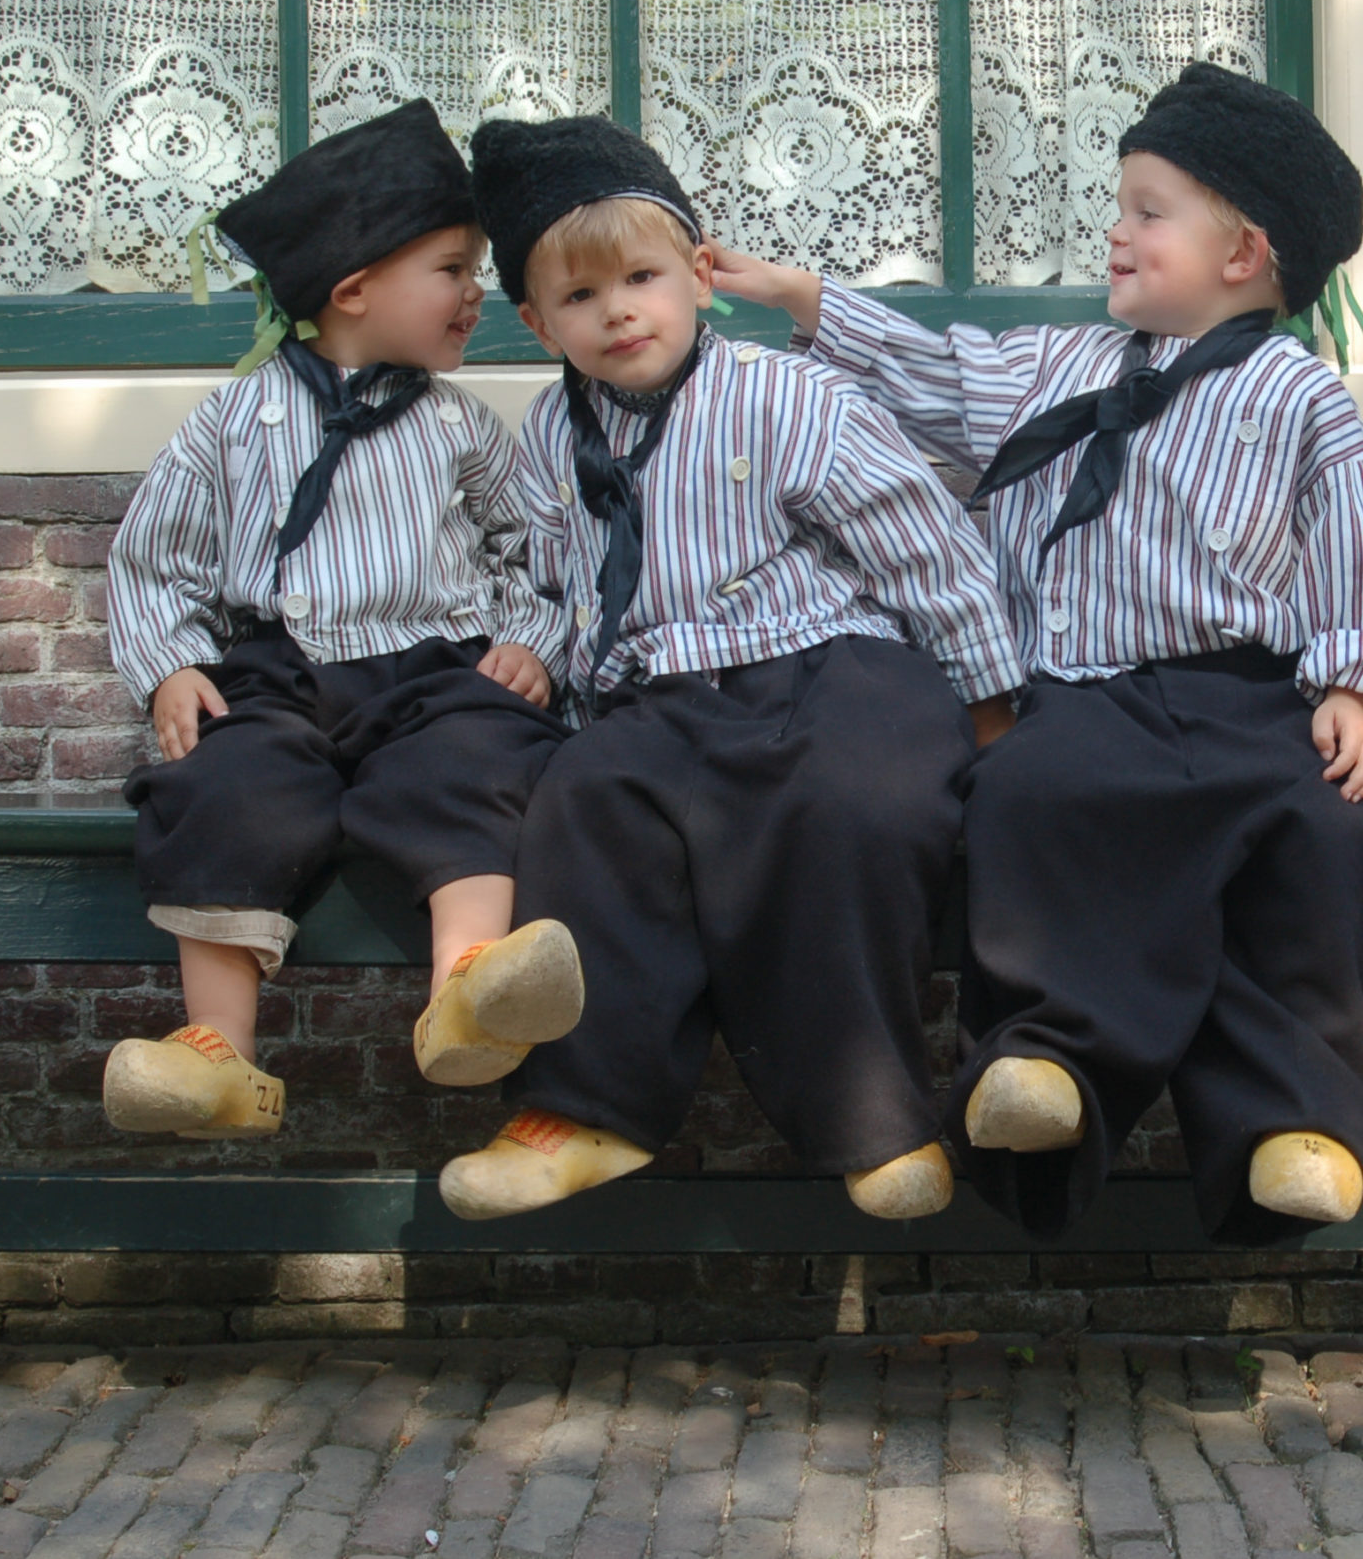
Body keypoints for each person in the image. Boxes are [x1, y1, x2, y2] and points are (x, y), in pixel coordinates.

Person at [713, 64, 1363, 1246]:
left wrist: (1352, 685)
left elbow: (1347, 540)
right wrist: (804, 297)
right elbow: (937, 376)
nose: (1117, 229)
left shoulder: (1301, 397)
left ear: (1242, 252)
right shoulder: (1062, 367)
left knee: (1347, 823)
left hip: (1251, 699)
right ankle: (1043, 1068)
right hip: (1083, 699)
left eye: (1149, 210)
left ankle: (1291, 1126)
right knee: (1030, 795)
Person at [434, 116, 1027, 1224]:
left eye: (644, 278)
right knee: (583, 804)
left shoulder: (788, 397)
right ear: (535, 321)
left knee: (854, 803)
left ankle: (879, 1122)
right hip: (660, 701)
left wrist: (992, 708)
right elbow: (555, 589)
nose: (619, 312)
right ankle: (585, 1110)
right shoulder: (545, 448)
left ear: (701, 278)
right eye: (579, 298)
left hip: (833, 668)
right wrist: (536, 651)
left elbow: (925, 549)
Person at [104, 100, 582, 1141]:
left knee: (477, 756)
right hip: (276, 676)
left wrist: (534, 642)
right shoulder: (233, 422)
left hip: (434, 672)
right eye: (453, 270)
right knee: (222, 785)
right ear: (355, 289)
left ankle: (467, 986)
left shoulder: (460, 427)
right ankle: (219, 1052)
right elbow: (152, 560)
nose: (475, 296)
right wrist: (172, 667)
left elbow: (549, 549)